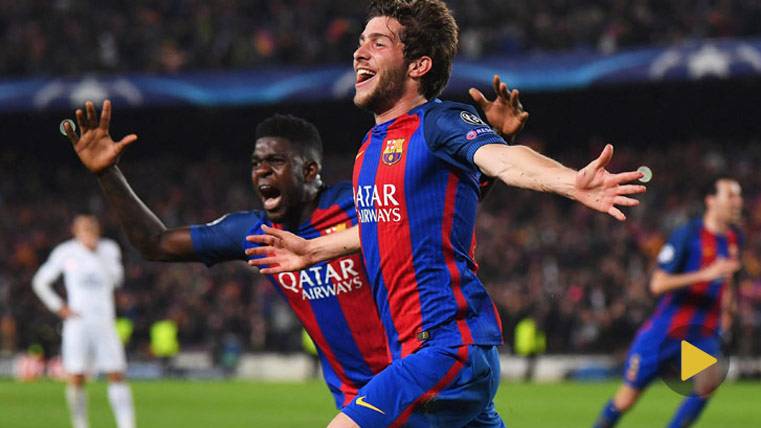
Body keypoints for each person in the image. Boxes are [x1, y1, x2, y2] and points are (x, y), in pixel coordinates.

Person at [247, 1, 646, 426]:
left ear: (419, 65)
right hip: (431, 353)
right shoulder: (371, 147)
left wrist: (568, 181)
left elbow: (503, 159)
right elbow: (387, 227)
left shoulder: (440, 120)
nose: (359, 52)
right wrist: (313, 250)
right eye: (361, 42)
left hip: (446, 348)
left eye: (378, 43)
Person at [60, 76, 527, 410]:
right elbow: (156, 243)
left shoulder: (362, 202)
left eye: (275, 161)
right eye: (256, 162)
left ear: (309, 171)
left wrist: (489, 153)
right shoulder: (254, 233)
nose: (260, 171)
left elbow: (434, 215)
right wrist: (108, 174)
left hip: (417, 381)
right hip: (358, 398)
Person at [593, 177, 743, 428]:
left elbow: (727, 278)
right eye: (731, 195)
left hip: (700, 333)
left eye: (738, 196)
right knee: (626, 399)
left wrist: (728, 308)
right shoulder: (688, 234)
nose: (738, 202)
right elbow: (657, 284)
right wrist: (705, 274)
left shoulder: (734, 238)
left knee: (708, 383)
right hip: (665, 332)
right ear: (711, 201)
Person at [32, 215, 135, 428]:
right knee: (77, 376)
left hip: (105, 321)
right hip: (77, 323)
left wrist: (96, 254)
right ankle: (80, 424)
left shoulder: (109, 249)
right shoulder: (65, 252)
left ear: (98, 230)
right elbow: (40, 281)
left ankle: (127, 425)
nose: (89, 231)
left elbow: (117, 279)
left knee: (116, 373)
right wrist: (58, 306)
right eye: (84, 228)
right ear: (75, 230)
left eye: (92, 227)